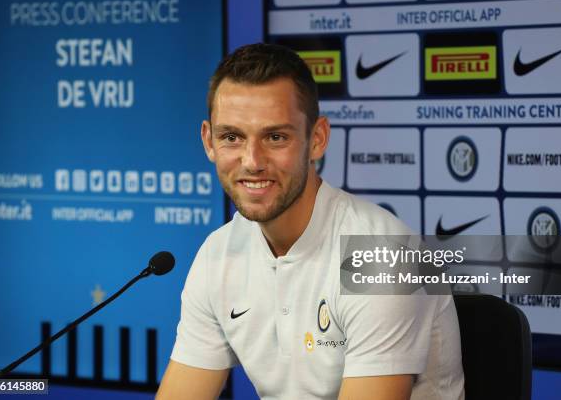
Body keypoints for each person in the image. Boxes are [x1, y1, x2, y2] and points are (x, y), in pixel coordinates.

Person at [156, 43, 464, 400]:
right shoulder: (217, 254)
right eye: (232, 137)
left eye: (275, 137)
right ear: (209, 142)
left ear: (316, 139)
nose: (252, 161)